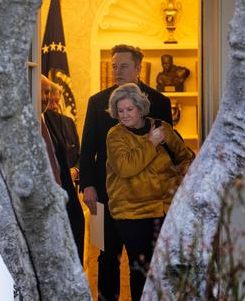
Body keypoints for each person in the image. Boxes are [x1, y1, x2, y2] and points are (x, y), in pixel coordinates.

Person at [79, 44, 172, 300]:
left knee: (140, 264)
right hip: (104, 198)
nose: (117, 71)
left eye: (124, 66)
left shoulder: (160, 103)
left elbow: (168, 152)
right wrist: (87, 185)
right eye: (114, 66)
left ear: (139, 68)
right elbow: (87, 150)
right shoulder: (97, 103)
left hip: (144, 199)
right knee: (106, 259)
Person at [106, 83, 194, 301]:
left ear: (140, 108)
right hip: (132, 213)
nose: (124, 115)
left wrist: (184, 178)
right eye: (120, 110)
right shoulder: (115, 135)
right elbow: (126, 167)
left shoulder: (161, 127)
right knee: (141, 270)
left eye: (129, 109)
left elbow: (185, 157)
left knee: (166, 267)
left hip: (166, 209)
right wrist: (151, 142)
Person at [41, 75, 85, 264]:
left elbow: (78, 155)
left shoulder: (60, 121)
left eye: (50, 94)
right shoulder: (36, 120)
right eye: (45, 93)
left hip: (67, 200)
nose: (49, 100)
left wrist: (74, 171)